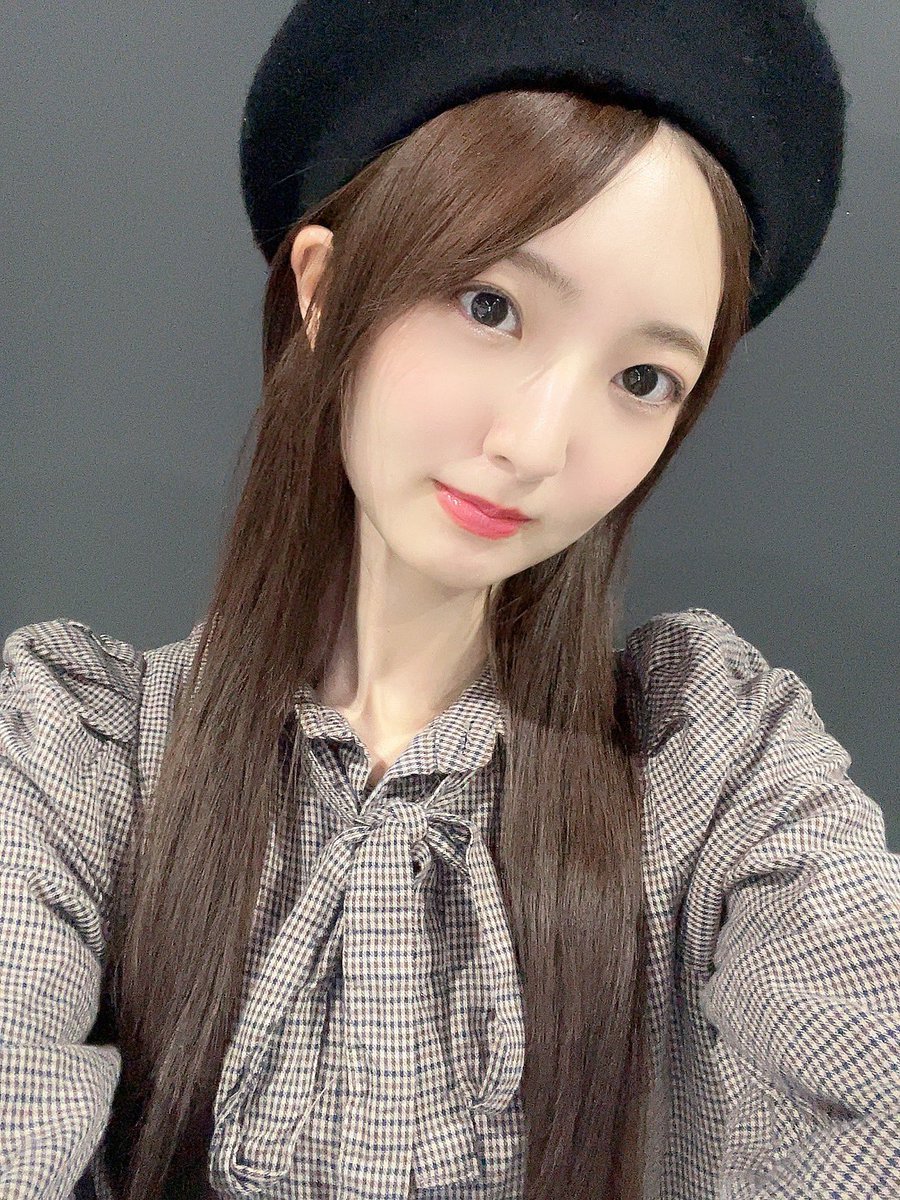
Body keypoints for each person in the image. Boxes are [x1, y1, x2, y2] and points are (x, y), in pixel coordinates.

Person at [1, 3, 898, 1199]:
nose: (535, 444)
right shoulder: (77, 755)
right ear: (325, 289)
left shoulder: (710, 766)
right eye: (490, 306)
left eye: (643, 377)